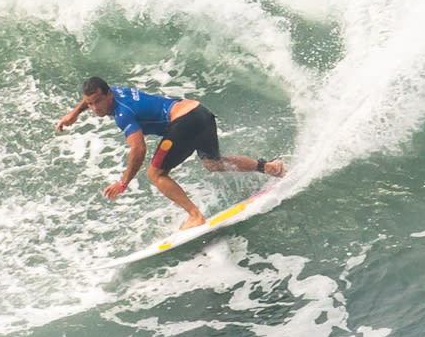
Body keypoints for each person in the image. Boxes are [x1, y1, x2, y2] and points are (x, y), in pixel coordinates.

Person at [53, 77, 285, 228]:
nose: (94, 108)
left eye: (97, 102)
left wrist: (123, 183)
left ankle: (195, 215)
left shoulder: (123, 114)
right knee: (212, 163)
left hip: (184, 121)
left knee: (155, 174)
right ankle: (269, 167)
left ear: (108, 95)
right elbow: (90, 98)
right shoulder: (112, 91)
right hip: (200, 112)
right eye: (90, 104)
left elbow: (138, 149)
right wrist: (75, 113)